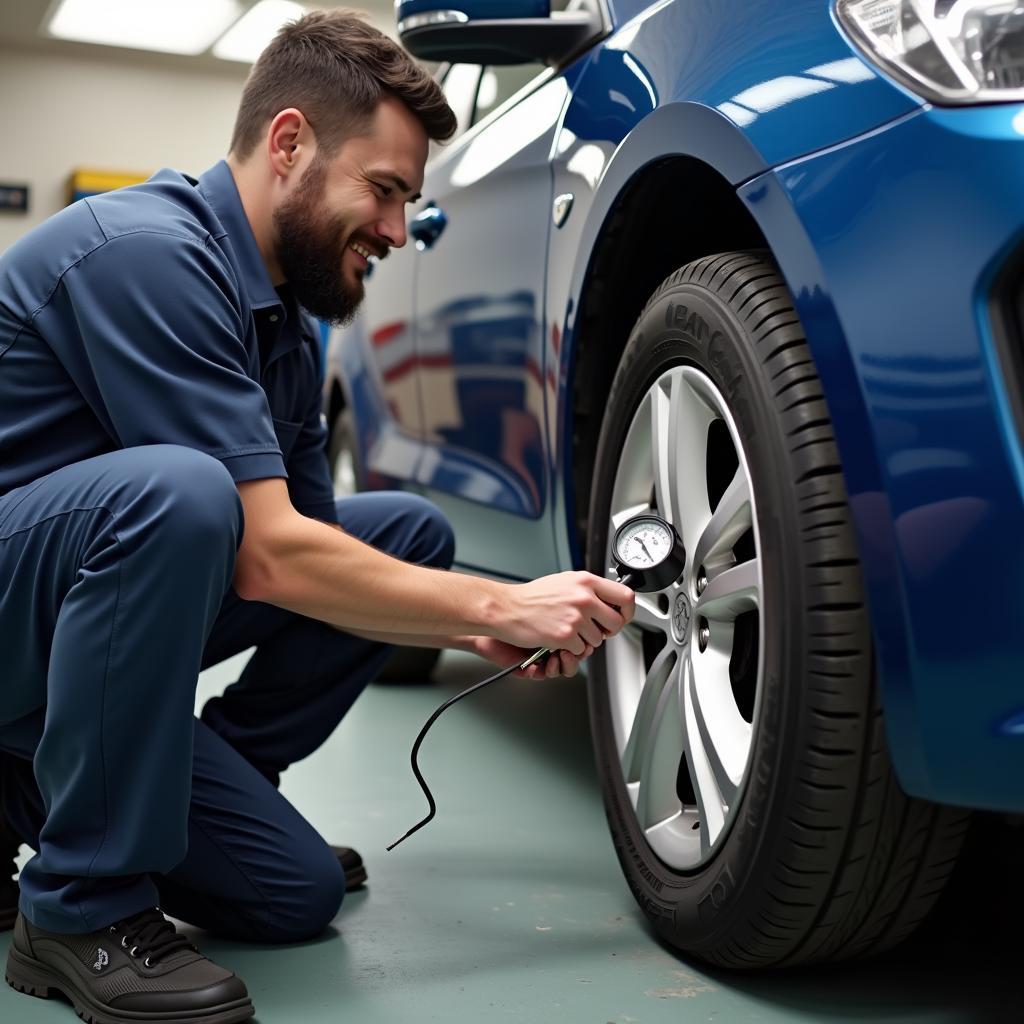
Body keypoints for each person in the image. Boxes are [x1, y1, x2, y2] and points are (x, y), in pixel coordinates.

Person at [0, 10, 634, 1023]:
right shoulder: (145, 252)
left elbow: (322, 558)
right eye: (384, 191)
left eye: (409, 201)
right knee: (184, 492)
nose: (399, 228)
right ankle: (77, 905)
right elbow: (268, 561)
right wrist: (508, 604)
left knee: (401, 541)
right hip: (15, 627)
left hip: (90, 622)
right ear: (288, 144)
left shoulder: (289, 323)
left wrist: (471, 620)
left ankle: (213, 779)